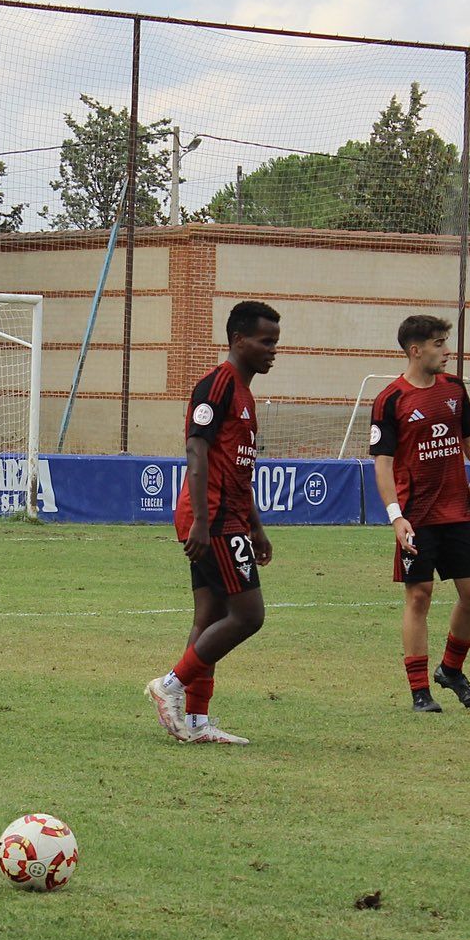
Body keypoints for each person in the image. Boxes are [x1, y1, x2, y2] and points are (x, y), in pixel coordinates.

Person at [145, 301, 281, 745]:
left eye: (275, 342)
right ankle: (170, 685)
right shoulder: (217, 385)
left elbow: (237, 467)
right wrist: (203, 520)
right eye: (265, 341)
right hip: (214, 517)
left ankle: (199, 721)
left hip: (229, 514)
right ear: (238, 339)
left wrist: (256, 525)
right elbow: (196, 450)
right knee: (248, 615)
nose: (272, 351)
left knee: (211, 614)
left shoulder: (244, 392)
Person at [370, 314, 470, 713]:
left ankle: (451, 670)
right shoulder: (390, 399)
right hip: (416, 517)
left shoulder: (453, 389)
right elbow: (382, 466)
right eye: (439, 343)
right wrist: (395, 516)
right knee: (419, 596)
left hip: (456, 511)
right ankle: (420, 691)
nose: (446, 350)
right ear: (415, 350)